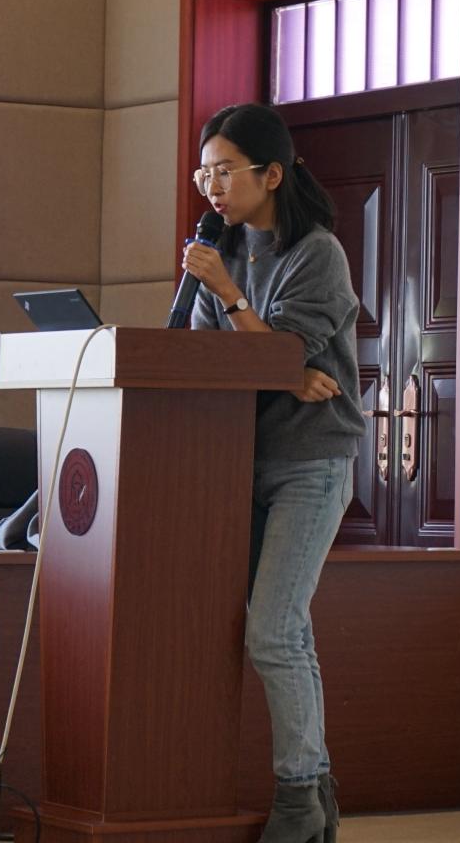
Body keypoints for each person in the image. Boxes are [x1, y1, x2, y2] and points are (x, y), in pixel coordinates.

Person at [183, 102, 361, 843]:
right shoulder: (219, 250)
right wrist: (285, 372)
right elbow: (210, 360)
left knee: (272, 633)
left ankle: (296, 801)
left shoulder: (316, 253)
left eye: (225, 171)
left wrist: (236, 304)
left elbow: (280, 349)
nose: (212, 188)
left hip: (311, 462)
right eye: (205, 174)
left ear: (273, 174)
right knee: (284, 633)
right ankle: (317, 799)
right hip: (239, 461)